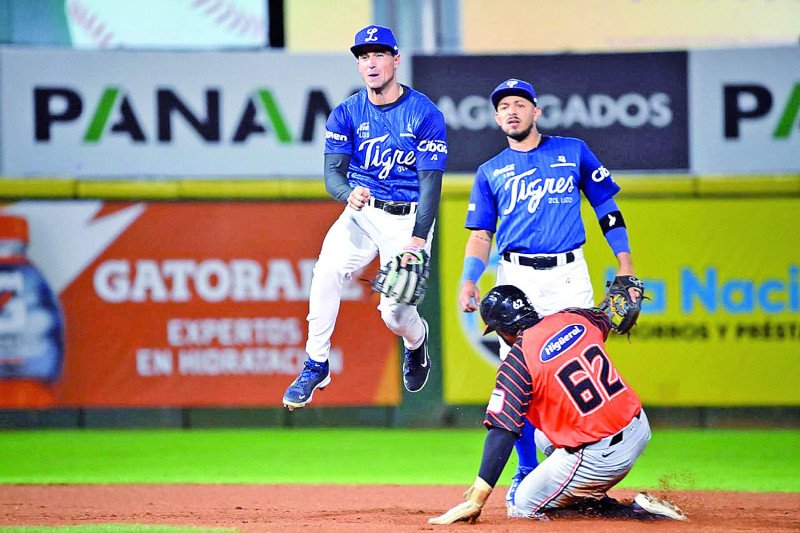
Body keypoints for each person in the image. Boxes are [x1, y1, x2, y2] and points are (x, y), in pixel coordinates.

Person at [457, 78, 644, 503]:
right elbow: (481, 235)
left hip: (568, 272)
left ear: (536, 111)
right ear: (495, 117)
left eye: (520, 104)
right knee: (518, 374)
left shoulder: (572, 151)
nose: (512, 111)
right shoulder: (490, 171)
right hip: (516, 275)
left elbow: (606, 207)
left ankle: (591, 451)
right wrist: (470, 278)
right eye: (504, 106)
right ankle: (526, 468)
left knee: (576, 359)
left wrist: (625, 264)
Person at [282, 25, 447, 410]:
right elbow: (332, 176)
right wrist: (346, 193)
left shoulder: (425, 113)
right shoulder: (346, 113)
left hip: (408, 219)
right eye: (363, 56)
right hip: (362, 212)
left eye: (378, 55)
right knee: (326, 271)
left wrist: (418, 239)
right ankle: (316, 363)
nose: (370, 63)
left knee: (394, 313)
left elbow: (430, 185)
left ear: (395, 59)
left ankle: (416, 341)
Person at [428, 285, 686, 525]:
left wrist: (477, 499)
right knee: (543, 437)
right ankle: (589, 491)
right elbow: (607, 317)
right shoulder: (574, 318)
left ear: (503, 330)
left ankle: (634, 512)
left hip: (600, 456)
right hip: (638, 426)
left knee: (522, 505)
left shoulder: (518, 361)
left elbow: (502, 431)